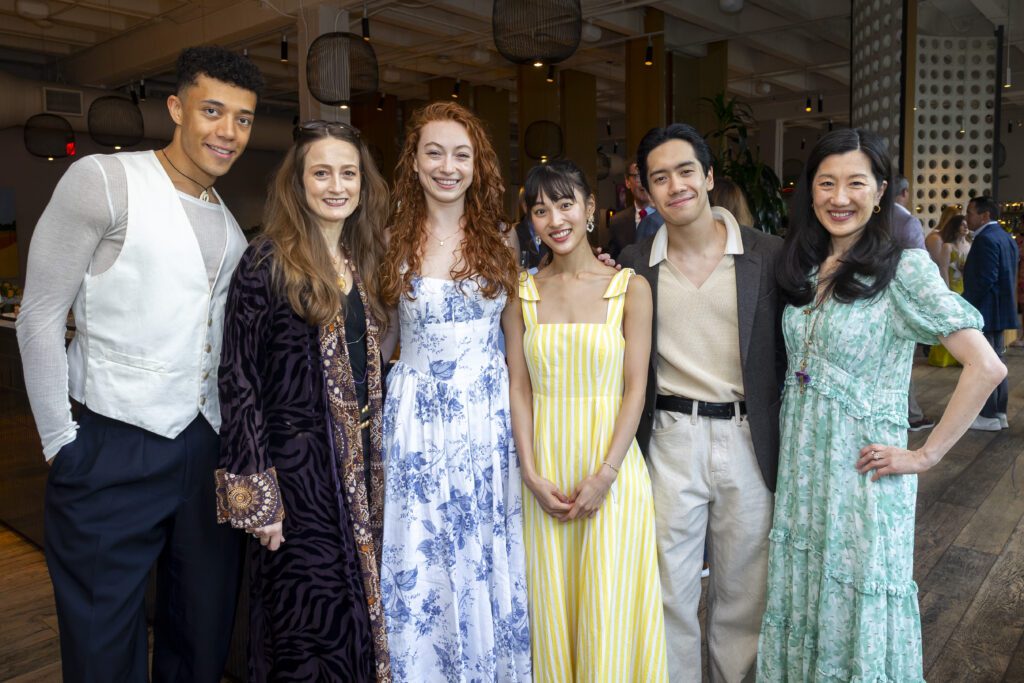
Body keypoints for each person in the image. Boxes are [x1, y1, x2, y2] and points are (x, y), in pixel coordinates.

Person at [16, 46, 263, 682]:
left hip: (205, 449)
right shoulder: (105, 180)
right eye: (213, 111)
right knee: (102, 643)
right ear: (177, 109)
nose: (229, 132)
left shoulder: (232, 226)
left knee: (201, 636)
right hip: (110, 442)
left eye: (243, 118)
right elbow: (39, 316)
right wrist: (60, 444)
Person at [757, 128, 1004, 682]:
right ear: (810, 191)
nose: (839, 197)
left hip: (862, 478)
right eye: (826, 183)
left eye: (855, 183)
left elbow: (987, 366)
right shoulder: (804, 265)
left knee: (855, 605)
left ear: (880, 191)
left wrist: (925, 455)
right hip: (804, 475)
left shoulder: (902, 269)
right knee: (807, 600)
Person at [215, 121, 392, 682]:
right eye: (322, 173)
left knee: (355, 618)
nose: (337, 186)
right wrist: (258, 499)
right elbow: (238, 378)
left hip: (358, 469)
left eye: (348, 173)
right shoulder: (266, 261)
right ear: (298, 183)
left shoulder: (359, 261)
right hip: (298, 479)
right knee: (307, 625)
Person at [618, 123, 784, 683]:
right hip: (670, 435)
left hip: (747, 438)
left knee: (744, 592)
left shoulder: (767, 255)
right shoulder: (634, 263)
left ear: (709, 176)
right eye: (659, 177)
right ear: (645, 190)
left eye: (686, 171)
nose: (676, 186)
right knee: (669, 589)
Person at [378, 101, 531, 682]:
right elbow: (383, 341)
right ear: (414, 163)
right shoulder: (391, 240)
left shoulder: (503, 240)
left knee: (481, 549)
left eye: (461, 155)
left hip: (486, 422)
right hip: (415, 421)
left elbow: (517, 352)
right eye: (435, 153)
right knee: (422, 549)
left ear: (477, 165)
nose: (448, 166)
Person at [505, 159, 668, 682]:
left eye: (565, 204)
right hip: (546, 475)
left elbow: (636, 388)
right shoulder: (521, 293)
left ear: (590, 208)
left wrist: (607, 474)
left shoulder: (630, 288)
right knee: (552, 612)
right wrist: (531, 473)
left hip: (612, 471)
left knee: (609, 612)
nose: (555, 219)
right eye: (540, 210)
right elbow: (519, 387)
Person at [962, 195, 1019, 431]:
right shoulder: (1005, 237)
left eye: (970, 213)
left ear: (985, 215)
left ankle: (987, 415)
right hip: (1000, 309)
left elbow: (984, 279)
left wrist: (965, 304)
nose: (966, 217)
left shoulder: (985, 239)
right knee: (996, 361)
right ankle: (998, 412)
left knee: (984, 363)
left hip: (985, 310)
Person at [928, 214, 972, 367]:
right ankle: (946, 356)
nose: (966, 227)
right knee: (951, 323)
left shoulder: (970, 245)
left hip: (967, 287)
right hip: (953, 287)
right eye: (962, 225)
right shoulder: (947, 246)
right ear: (955, 227)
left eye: (966, 224)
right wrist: (946, 291)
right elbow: (943, 269)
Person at [605, 161, 663, 258]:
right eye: (638, 176)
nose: (644, 182)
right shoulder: (617, 222)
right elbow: (614, 258)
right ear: (627, 182)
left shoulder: (669, 217)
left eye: (648, 175)